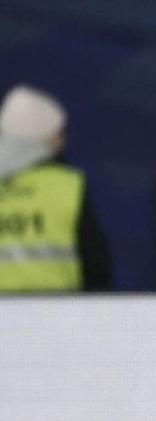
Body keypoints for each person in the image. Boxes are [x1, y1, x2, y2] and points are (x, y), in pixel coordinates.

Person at [0, 84, 110, 292]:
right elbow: (97, 265)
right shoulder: (67, 185)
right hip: (57, 316)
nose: (62, 140)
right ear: (39, 136)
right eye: (57, 133)